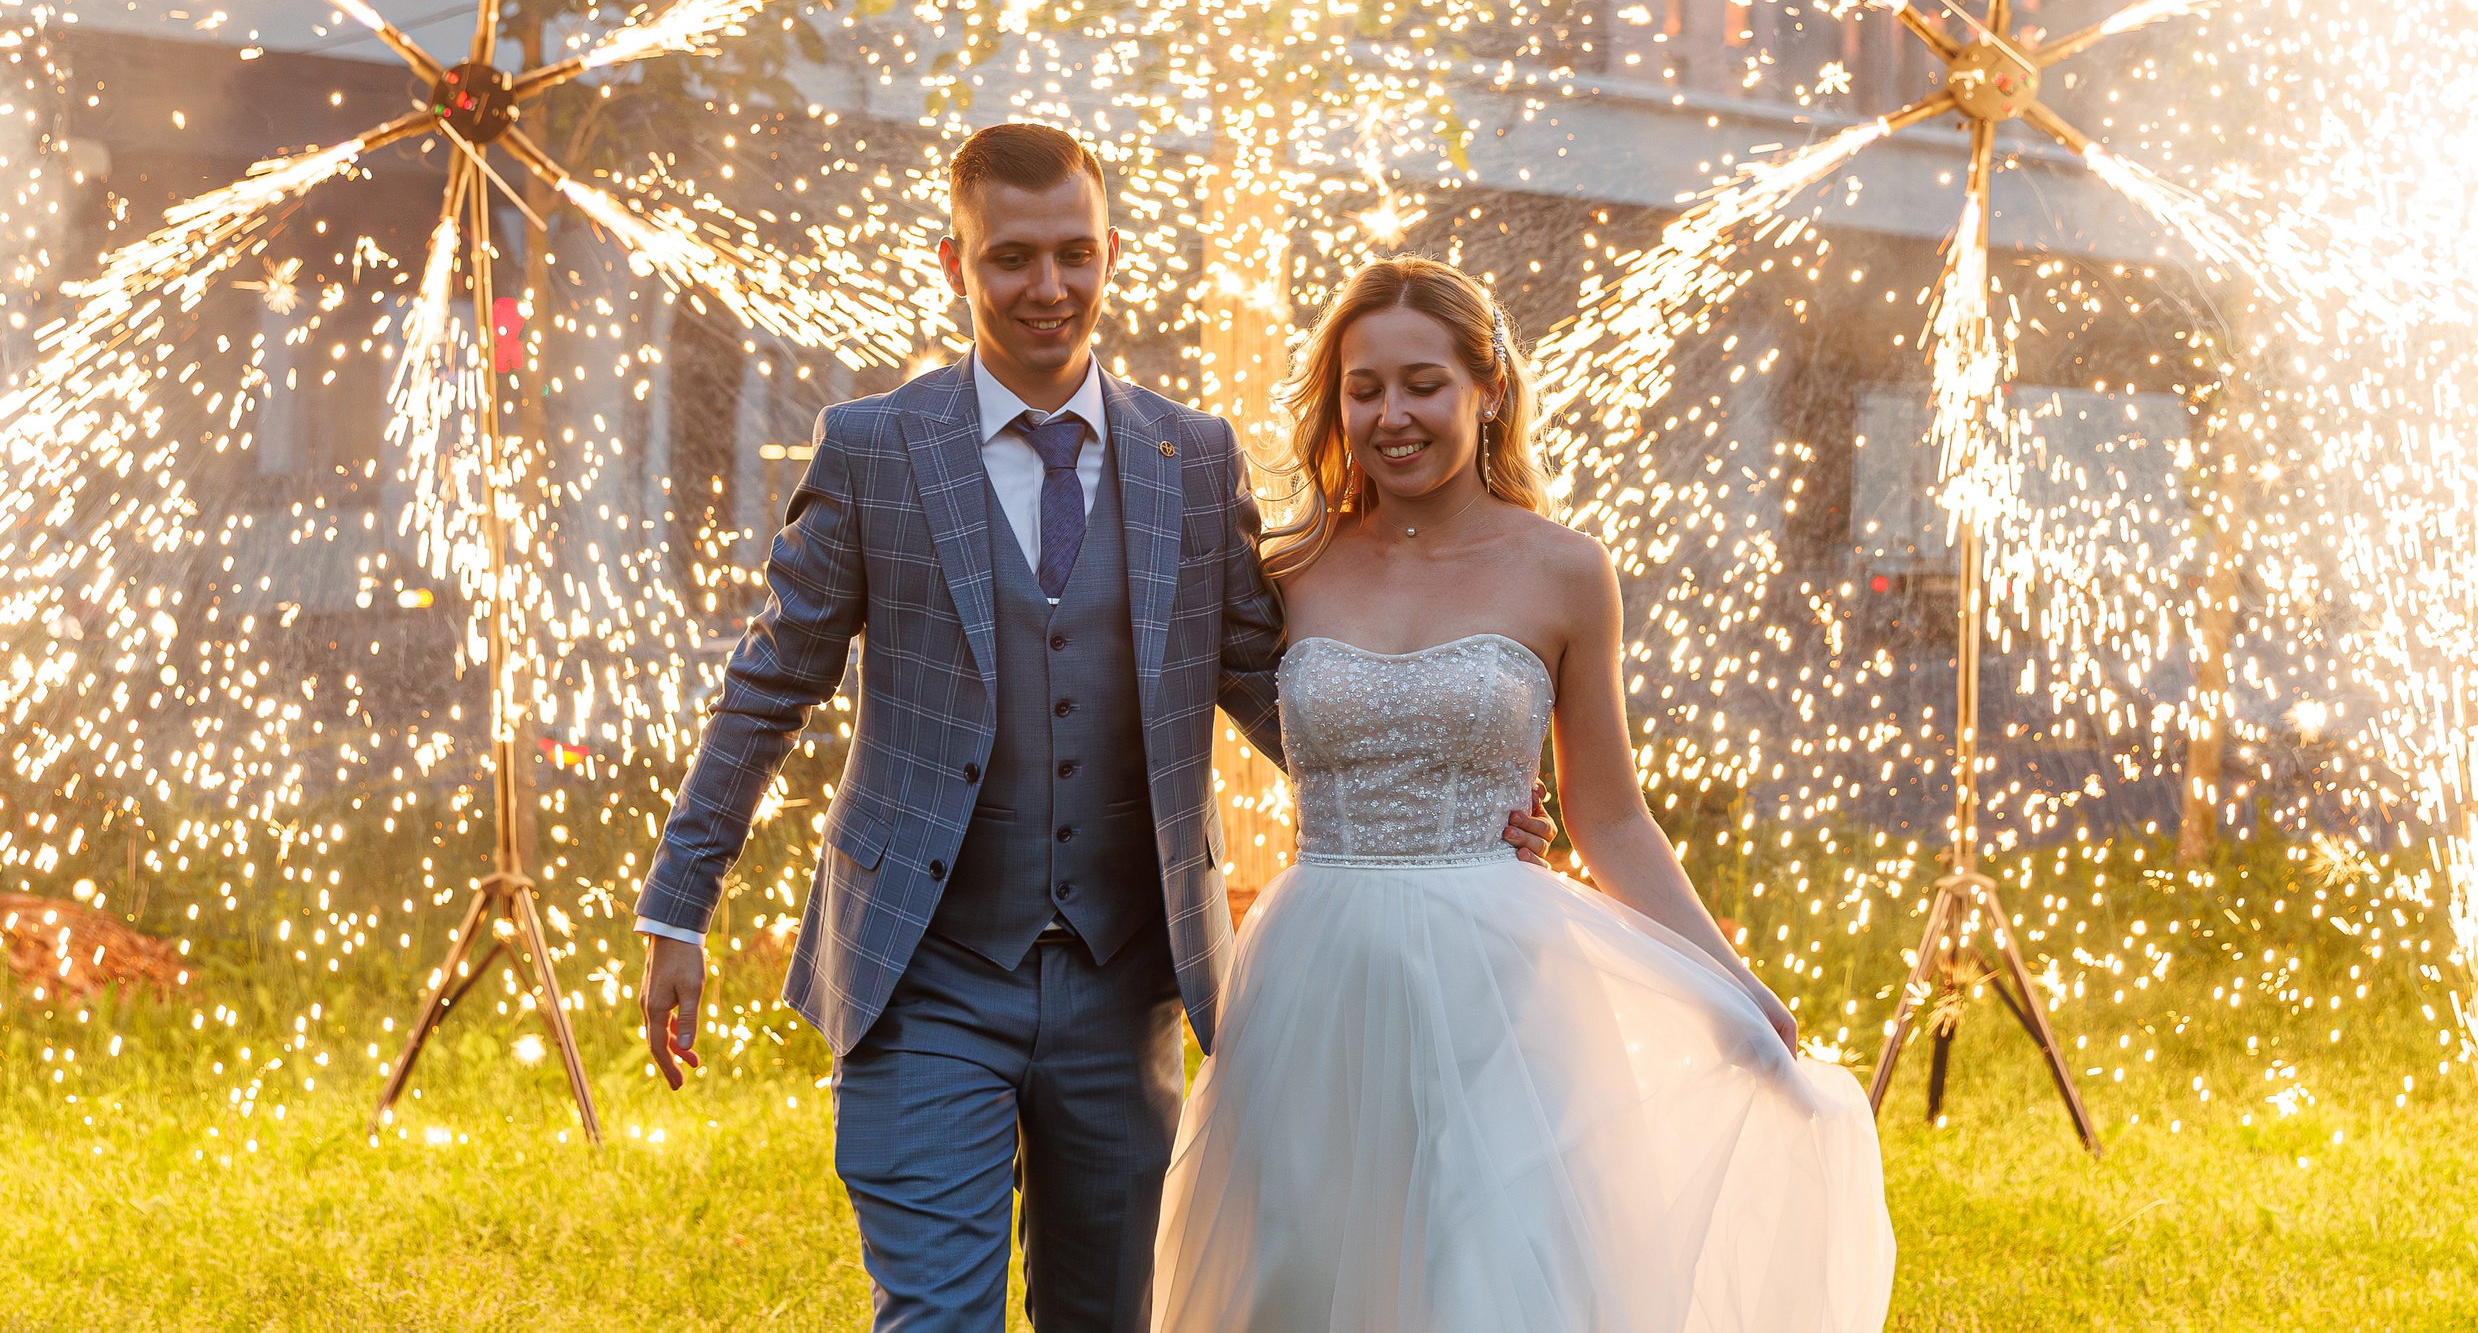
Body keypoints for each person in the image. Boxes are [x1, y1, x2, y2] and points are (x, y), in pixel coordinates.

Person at [629, 125, 1553, 1333]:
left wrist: (1450, 794)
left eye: (1074, 253)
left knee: (1106, 1316)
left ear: (1111, 252)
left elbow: (1265, 682)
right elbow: (770, 683)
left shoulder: (1191, 459)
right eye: (1011, 257)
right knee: (935, 1317)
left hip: (1127, 987)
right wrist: (677, 905)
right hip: (923, 972)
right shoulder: (874, 451)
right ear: (953, 260)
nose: (1047, 287)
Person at [1151, 256, 1896, 1333]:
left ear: (1489, 388)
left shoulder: (1565, 572)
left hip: (1496, 977)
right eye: (1363, 389)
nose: (1391, 415)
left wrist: (1731, 982)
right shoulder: (1284, 568)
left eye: (1423, 384)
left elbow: (1611, 814)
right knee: (1305, 1274)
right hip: (1314, 973)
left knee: (1487, 1272)